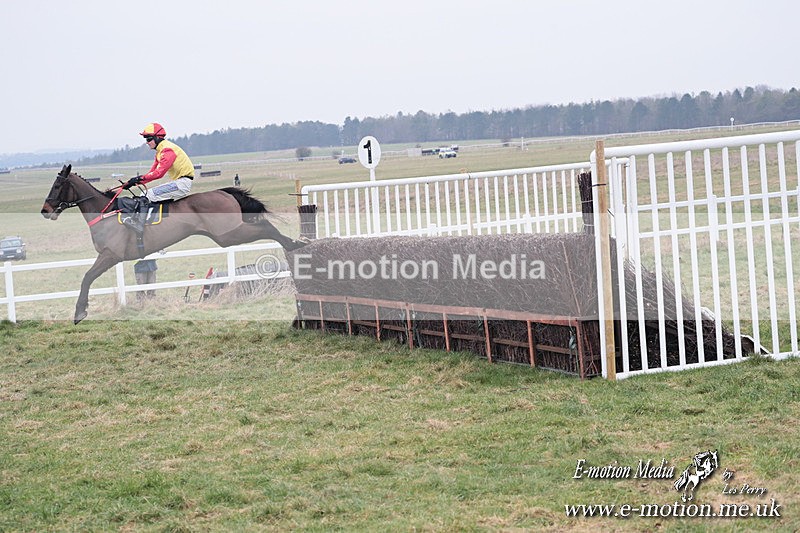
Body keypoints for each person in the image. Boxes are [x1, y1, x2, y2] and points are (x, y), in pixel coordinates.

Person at [120, 122, 195, 237]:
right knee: (144, 194)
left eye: (149, 139)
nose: (147, 142)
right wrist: (131, 183)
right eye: (146, 139)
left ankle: (139, 225)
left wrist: (138, 178)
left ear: (157, 138)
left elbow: (159, 174)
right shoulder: (160, 152)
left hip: (182, 183)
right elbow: (151, 173)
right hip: (178, 182)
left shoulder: (167, 150)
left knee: (148, 194)